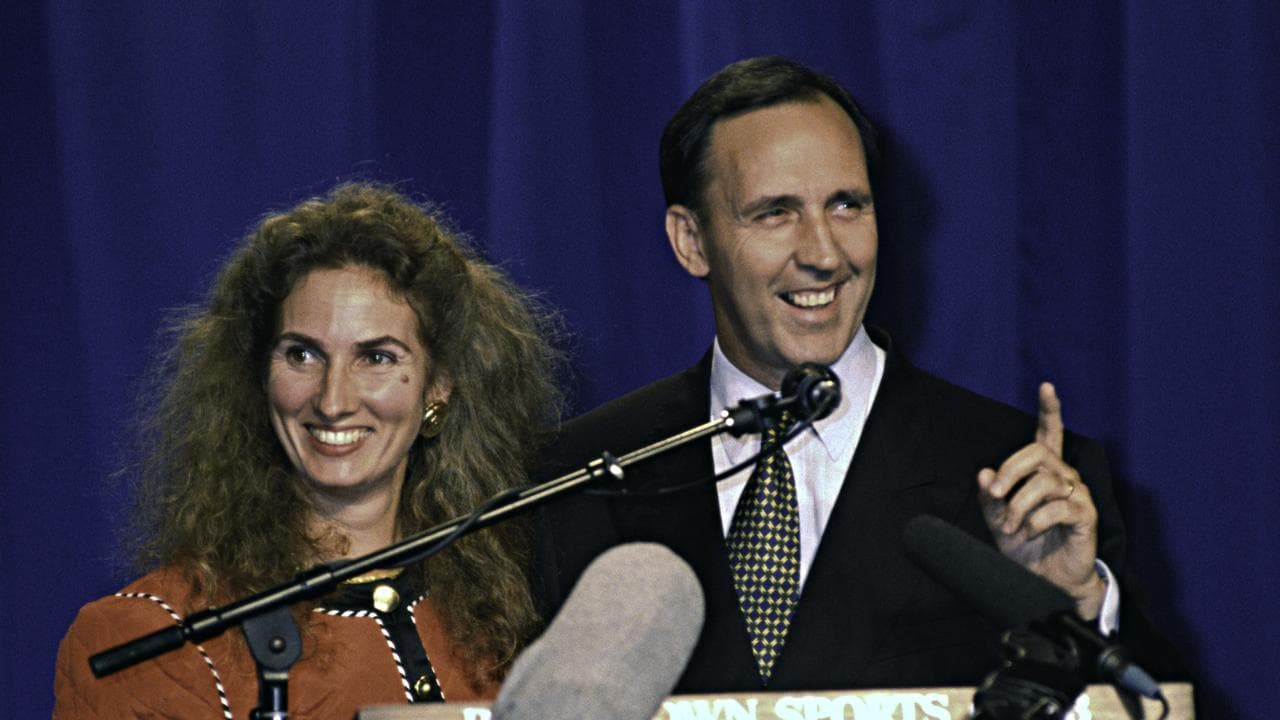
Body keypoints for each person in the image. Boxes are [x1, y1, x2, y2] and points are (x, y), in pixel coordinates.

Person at [536, 56, 1185, 693]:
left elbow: (1162, 703)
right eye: (774, 213)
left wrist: (1074, 602)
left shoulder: (1020, 476)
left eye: (847, 206)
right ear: (691, 241)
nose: (824, 254)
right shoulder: (582, 475)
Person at [54, 183, 562, 718]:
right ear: (259, 377)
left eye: (378, 358)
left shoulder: (506, 618)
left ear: (439, 387)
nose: (333, 399)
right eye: (302, 354)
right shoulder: (150, 637)